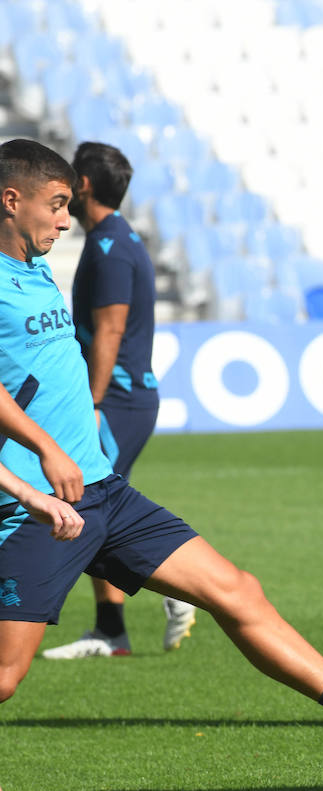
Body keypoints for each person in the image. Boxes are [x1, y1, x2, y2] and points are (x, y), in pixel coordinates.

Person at [0, 139, 323, 791]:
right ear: (10, 200)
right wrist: (45, 453)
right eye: (55, 206)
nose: (66, 221)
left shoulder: (34, 266)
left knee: (236, 589)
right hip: (39, 512)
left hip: (103, 491)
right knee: (5, 679)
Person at [40, 141, 197, 661]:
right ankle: (112, 630)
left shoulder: (110, 246)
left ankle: (175, 587)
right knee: (89, 505)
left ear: (83, 185)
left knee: (83, 504)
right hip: (123, 399)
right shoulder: (114, 239)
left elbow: (109, 330)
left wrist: (90, 404)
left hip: (116, 401)